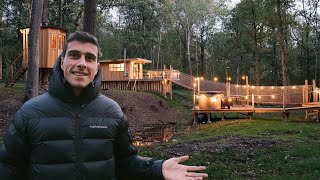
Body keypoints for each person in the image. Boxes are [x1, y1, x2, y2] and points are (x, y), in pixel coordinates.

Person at [0, 31, 208, 180]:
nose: (82, 63)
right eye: (74, 55)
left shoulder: (112, 112)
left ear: (96, 67)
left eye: (89, 58)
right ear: (62, 62)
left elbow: (126, 163)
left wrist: (158, 168)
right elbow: (7, 168)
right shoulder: (30, 113)